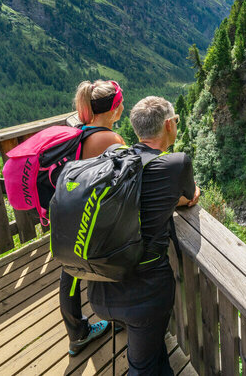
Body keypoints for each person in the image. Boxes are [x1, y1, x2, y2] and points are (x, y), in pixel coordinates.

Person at [88, 96, 200, 375]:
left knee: (151, 353)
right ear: (168, 126)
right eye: (175, 121)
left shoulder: (113, 158)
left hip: (100, 286)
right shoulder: (176, 164)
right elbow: (190, 197)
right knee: (142, 368)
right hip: (144, 293)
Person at [61, 80, 128, 355]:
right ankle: (121, 318)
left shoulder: (77, 131)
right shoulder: (111, 140)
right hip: (95, 222)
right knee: (115, 268)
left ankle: (77, 334)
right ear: (114, 110)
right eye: (121, 102)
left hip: (68, 217)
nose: (124, 106)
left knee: (71, 273)